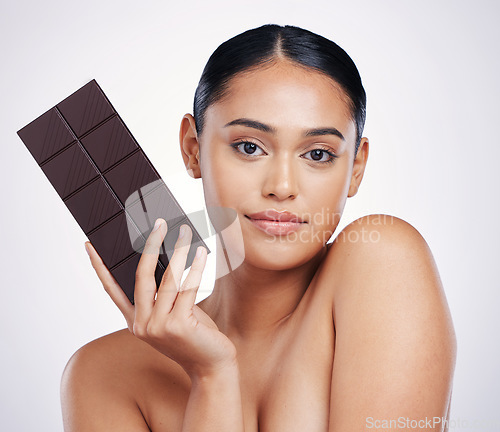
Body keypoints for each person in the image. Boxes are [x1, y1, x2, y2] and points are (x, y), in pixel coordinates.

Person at [60, 24, 456, 431]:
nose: (282, 187)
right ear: (192, 150)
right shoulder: (103, 375)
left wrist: (212, 374)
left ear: (356, 168)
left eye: (318, 153)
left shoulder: (383, 260)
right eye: (250, 147)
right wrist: (212, 375)